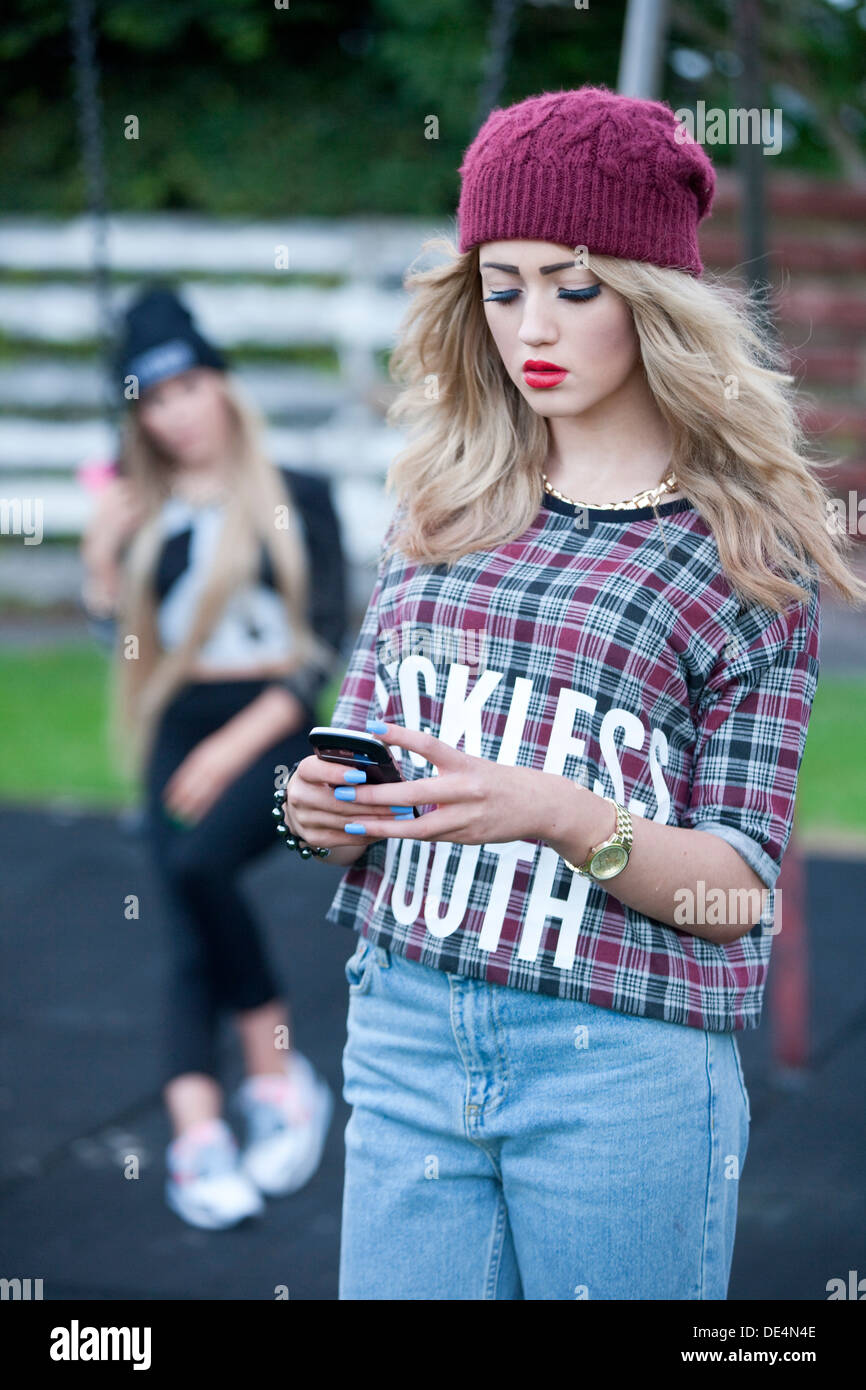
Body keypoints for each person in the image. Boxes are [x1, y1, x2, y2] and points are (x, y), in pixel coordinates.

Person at [280, 86, 866, 1299]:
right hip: (402, 1032)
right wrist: (320, 812)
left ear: (651, 298)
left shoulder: (741, 559)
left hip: (619, 1068)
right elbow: (363, 754)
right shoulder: (437, 507)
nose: (529, 324)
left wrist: (561, 814)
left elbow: (735, 893)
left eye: (572, 284)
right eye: (500, 287)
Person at [80, 285, 348, 1230]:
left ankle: (277, 1077)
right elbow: (128, 643)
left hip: (272, 726)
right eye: (155, 400)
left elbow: (320, 649)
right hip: (176, 725)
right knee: (188, 918)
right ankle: (199, 1133)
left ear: (222, 387)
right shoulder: (142, 511)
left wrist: (244, 744)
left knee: (201, 868)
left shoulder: (299, 498)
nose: (177, 412)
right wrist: (102, 566)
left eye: (190, 387)